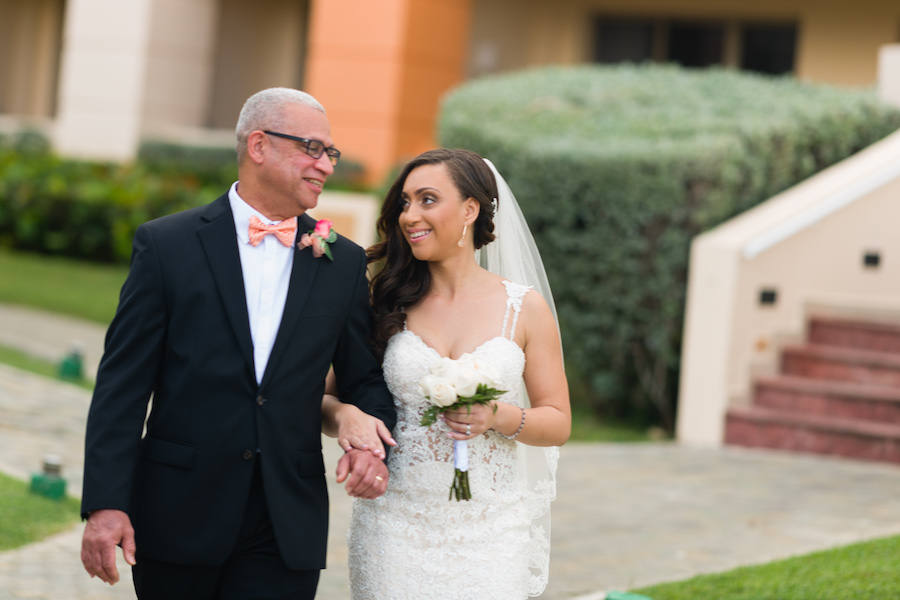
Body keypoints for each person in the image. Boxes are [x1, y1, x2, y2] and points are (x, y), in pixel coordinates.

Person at [79, 87, 396, 600]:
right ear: (259, 146)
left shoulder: (344, 261)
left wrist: (372, 447)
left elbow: (364, 378)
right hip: (178, 512)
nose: (326, 166)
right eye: (312, 149)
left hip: (284, 519)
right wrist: (105, 504)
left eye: (331, 153)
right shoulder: (166, 246)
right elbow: (122, 385)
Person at [343, 148, 571, 599]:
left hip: (491, 533)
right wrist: (349, 419)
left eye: (427, 199)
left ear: (470, 210)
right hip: (394, 526)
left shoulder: (523, 308)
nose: (410, 216)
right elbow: (328, 396)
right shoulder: (385, 301)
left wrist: (497, 416)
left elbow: (558, 421)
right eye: (405, 202)